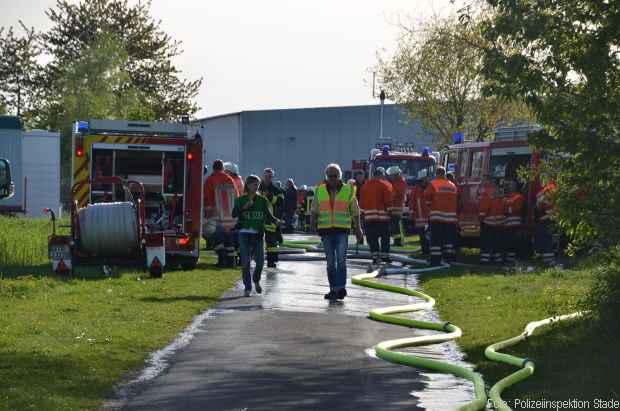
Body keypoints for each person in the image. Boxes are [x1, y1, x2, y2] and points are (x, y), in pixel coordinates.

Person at [311, 163, 362, 301]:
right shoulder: (320, 190)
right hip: (326, 231)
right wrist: (312, 224)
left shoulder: (348, 190)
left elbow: (355, 212)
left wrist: (358, 228)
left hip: (342, 231)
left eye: (335, 176)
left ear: (339, 176)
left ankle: (341, 288)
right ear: (326, 177)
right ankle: (333, 289)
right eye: (330, 176)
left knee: (341, 261)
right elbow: (314, 210)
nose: (332, 179)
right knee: (330, 263)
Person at [232, 175, 279, 297]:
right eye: (254, 184)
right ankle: (247, 287)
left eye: (258, 184)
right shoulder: (240, 199)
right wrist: (244, 208)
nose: (256, 186)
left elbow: (268, 215)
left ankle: (256, 279)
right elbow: (234, 214)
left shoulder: (262, 200)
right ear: (248, 185)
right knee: (246, 263)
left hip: (258, 234)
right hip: (244, 234)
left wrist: (275, 220)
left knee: (260, 262)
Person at [204, 160, 240, 267]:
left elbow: (206, 198)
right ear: (222, 168)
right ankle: (231, 261)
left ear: (213, 168)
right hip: (230, 217)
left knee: (217, 239)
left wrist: (207, 215)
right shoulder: (229, 179)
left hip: (216, 216)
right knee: (229, 241)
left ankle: (222, 260)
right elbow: (236, 196)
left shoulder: (210, 180)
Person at [425, 166, 458, 266]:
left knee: (436, 240)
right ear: (444, 174)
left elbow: (427, 197)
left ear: (437, 174)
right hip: (451, 218)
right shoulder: (452, 185)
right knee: (448, 240)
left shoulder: (433, 184)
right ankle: (448, 259)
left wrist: (430, 207)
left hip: (437, 216)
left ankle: (435, 260)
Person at [360, 167, 393, 264]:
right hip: (383, 219)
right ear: (382, 175)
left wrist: (362, 216)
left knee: (372, 238)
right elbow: (388, 202)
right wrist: (391, 214)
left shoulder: (365, 186)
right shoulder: (386, 185)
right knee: (385, 238)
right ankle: (385, 257)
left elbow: (361, 203)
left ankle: (375, 257)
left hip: (369, 218)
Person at [259, 168, 285, 268]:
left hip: (270, 218)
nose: (267, 178)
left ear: (272, 178)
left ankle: (271, 261)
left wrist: (270, 196)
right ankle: (252, 259)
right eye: (266, 176)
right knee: (255, 239)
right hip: (258, 218)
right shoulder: (257, 187)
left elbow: (281, 202)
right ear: (262, 176)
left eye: (269, 177)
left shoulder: (276, 190)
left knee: (271, 242)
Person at [478, 176, 505, 264]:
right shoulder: (499, 192)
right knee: (497, 242)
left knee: (486, 242)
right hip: (500, 221)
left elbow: (484, 208)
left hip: (488, 222)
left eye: (483, 181)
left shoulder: (487, 192)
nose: (482, 182)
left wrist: (480, 219)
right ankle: (497, 259)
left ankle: (485, 259)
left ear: (487, 181)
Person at [535, 179, 558, 265]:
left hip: (549, 218)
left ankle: (548, 261)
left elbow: (541, 203)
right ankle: (546, 260)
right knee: (546, 238)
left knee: (547, 238)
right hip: (548, 217)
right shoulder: (548, 189)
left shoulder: (550, 188)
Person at [503, 180, 525, 264]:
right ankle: (509, 259)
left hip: (515, 224)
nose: (510, 186)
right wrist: (509, 206)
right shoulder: (506, 198)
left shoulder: (519, 197)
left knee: (514, 242)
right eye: (509, 185)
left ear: (516, 187)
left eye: (512, 185)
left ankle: (513, 259)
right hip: (507, 224)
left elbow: (516, 209)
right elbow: (503, 209)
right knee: (508, 242)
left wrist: (507, 207)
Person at [387, 166, 407, 246]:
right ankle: (397, 241)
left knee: (396, 225)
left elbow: (397, 193)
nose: (391, 176)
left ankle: (398, 242)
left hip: (397, 207)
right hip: (395, 207)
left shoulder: (400, 182)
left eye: (392, 175)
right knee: (395, 225)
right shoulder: (397, 181)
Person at [410, 174, 430, 255]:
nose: (427, 181)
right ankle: (425, 250)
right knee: (422, 235)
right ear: (421, 181)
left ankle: (427, 250)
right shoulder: (416, 190)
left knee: (428, 235)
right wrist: (412, 214)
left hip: (428, 217)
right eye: (425, 180)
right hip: (419, 217)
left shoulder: (428, 188)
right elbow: (412, 202)